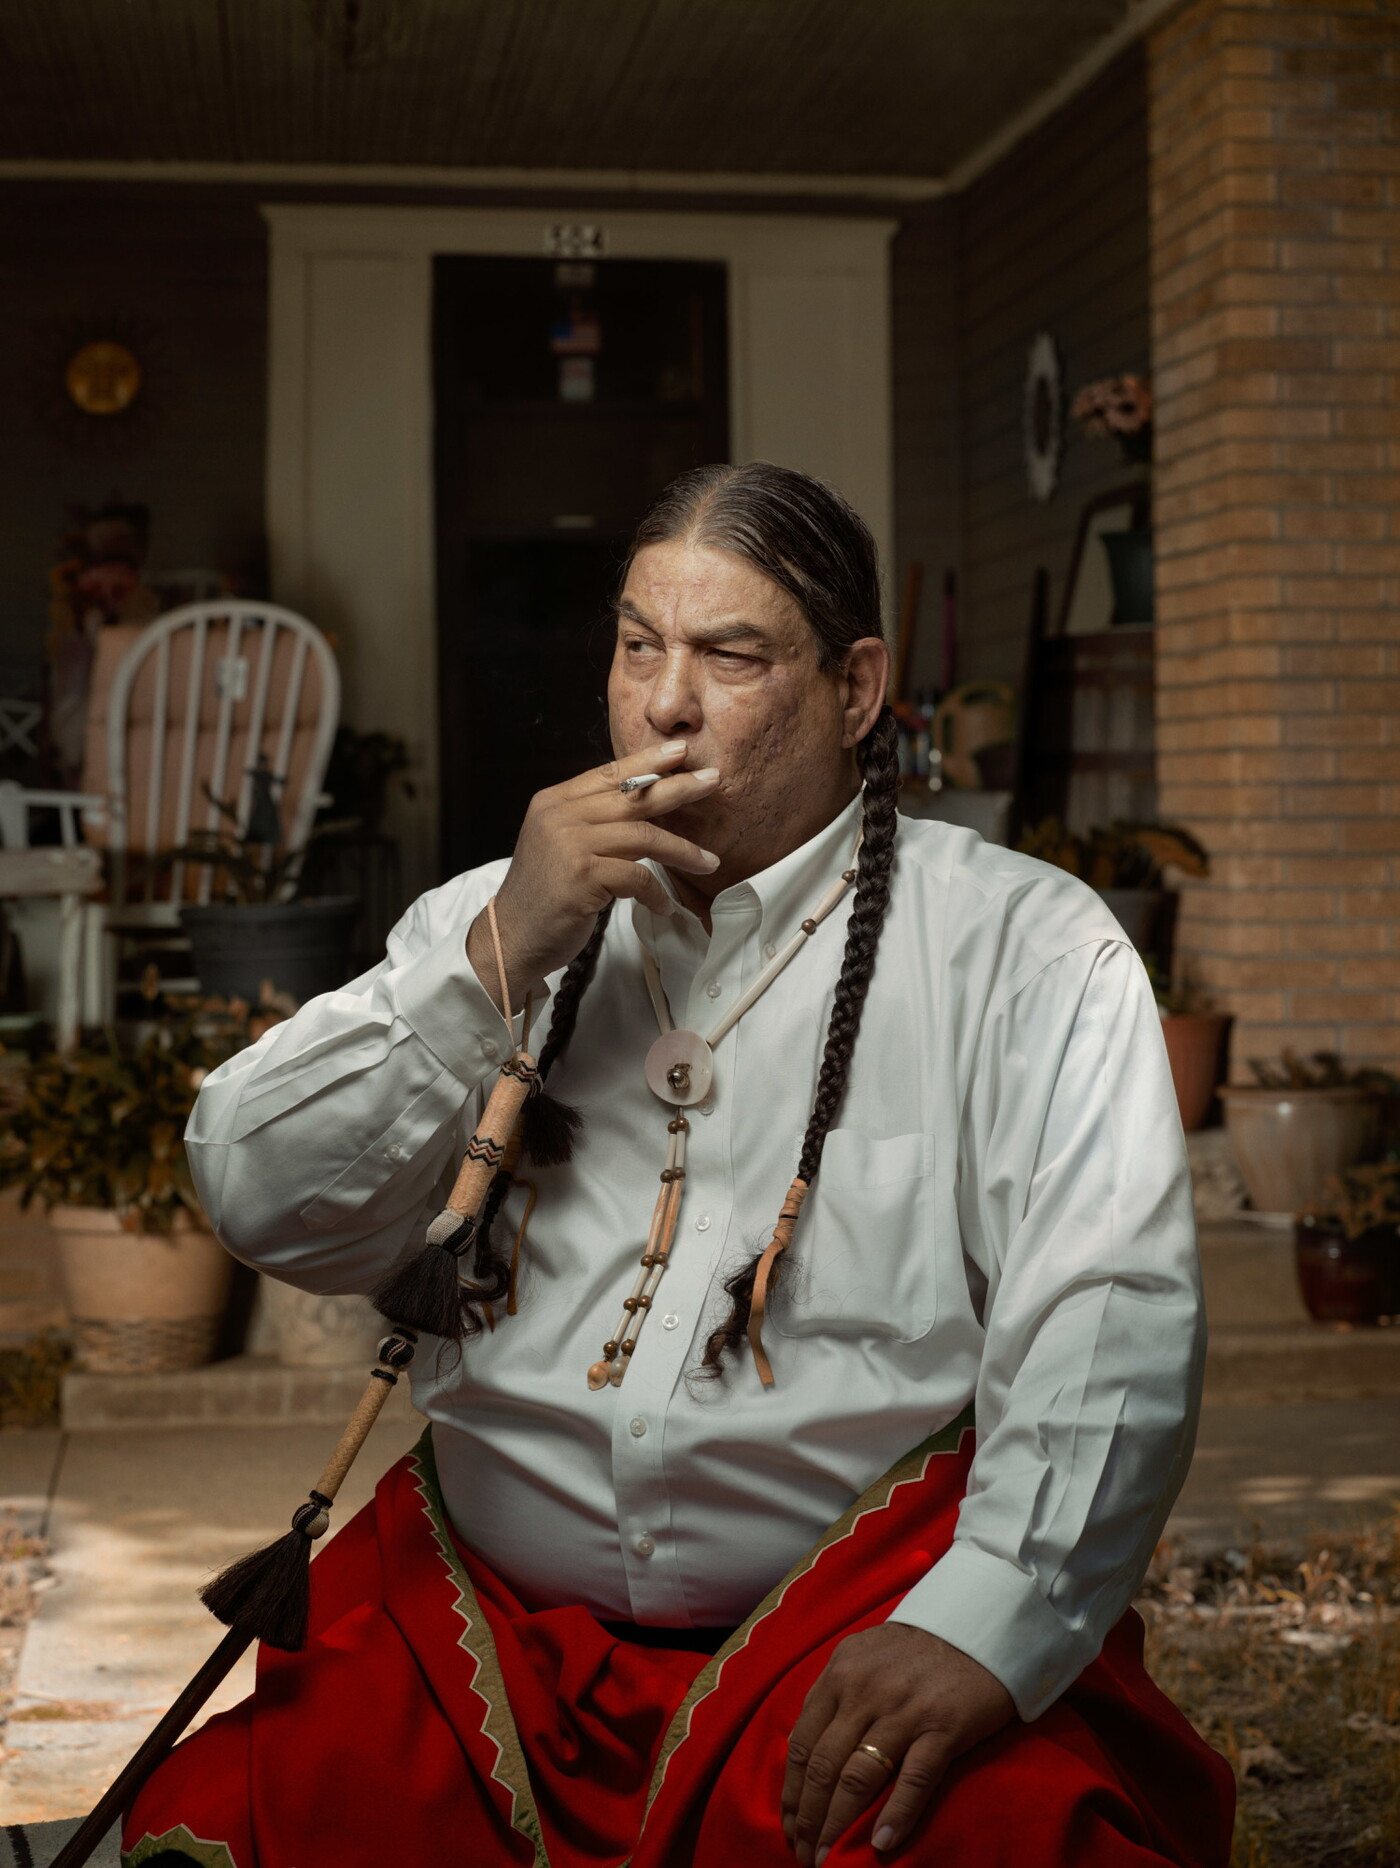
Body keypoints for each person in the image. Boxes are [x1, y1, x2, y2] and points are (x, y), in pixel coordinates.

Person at [126, 464, 1233, 1868]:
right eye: (638, 644)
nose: (663, 703)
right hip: (477, 1643)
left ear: (855, 687)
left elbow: (1112, 1312)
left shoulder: (1023, 949)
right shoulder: (497, 919)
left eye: (732, 655)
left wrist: (983, 1620)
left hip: (850, 1637)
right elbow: (254, 1191)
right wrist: (493, 963)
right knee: (232, 1824)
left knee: (1011, 1836)